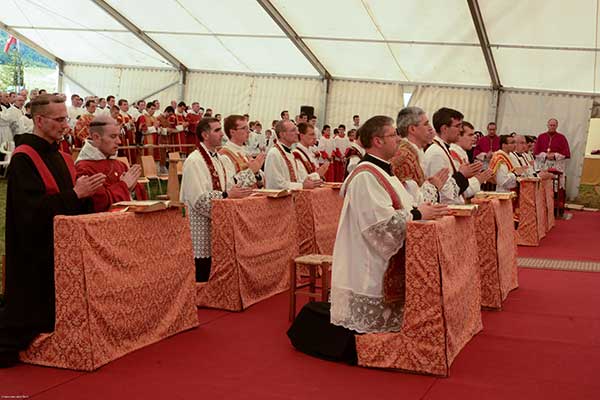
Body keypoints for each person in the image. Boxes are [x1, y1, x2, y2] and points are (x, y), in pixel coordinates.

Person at [0, 94, 105, 368]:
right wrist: (75, 194)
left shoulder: (61, 154)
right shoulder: (24, 158)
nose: (65, 125)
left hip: (61, 245)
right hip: (34, 249)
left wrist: (87, 194)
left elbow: (70, 196)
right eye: (59, 120)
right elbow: (29, 211)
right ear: (39, 120)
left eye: (65, 118)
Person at [331, 115, 448, 334]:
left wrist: (426, 197)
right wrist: (418, 213)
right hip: (369, 262)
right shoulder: (366, 175)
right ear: (377, 141)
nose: (398, 139)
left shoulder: (384, 171)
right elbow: (380, 226)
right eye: (393, 135)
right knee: (369, 331)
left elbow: (406, 204)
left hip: (383, 258)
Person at [180, 117, 252, 282]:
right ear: (205, 135)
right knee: (201, 275)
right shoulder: (194, 160)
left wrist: (252, 173)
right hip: (200, 228)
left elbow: (232, 185)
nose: (222, 134)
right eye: (217, 130)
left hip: (218, 225)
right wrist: (226, 196)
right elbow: (198, 200)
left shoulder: (220, 159)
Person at [75, 115, 146, 212]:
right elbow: (98, 204)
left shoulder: (120, 165)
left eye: (119, 136)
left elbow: (138, 198)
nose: (119, 141)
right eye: (113, 136)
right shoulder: (84, 168)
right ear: (96, 137)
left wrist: (133, 189)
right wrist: (124, 185)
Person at [423, 107, 482, 204]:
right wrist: (462, 175)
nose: (460, 130)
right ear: (444, 128)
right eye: (457, 126)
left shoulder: (443, 149)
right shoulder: (436, 153)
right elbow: (445, 194)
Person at [391, 106, 446, 204]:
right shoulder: (404, 156)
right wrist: (434, 187)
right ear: (412, 129)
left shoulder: (415, 151)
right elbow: (409, 200)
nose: (430, 128)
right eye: (426, 124)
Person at [264, 119, 323, 190]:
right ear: (282, 134)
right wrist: (301, 186)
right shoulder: (274, 154)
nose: (297, 133)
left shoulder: (290, 153)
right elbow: (275, 184)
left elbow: (295, 179)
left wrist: (314, 179)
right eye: (293, 130)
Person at [450, 121, 493, 199]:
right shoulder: (453, 154)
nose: (474, 139)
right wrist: (479, 179)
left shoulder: (462, 153)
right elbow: (457, 190)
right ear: (458, 136)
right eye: (470, 135)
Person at [219, 114, 265, 188]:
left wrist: (257, 173)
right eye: (244, 128)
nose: (249, 132)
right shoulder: (224, 155)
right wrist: (252, 171)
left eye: (248, 128)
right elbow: (229, 186)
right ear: (232, 132)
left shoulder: (245, 152)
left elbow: (261, 182)